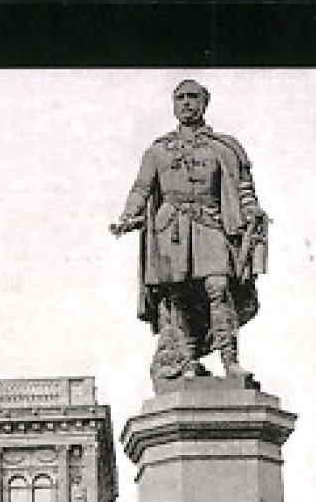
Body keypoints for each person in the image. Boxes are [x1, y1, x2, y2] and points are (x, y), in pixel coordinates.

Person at [112, 80, 269, 383]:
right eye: (180, 98)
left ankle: (231, 362)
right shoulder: (157, 151)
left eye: (193, 97)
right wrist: (128, 215)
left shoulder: (223, 148)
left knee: (219, 287)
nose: (186, 103)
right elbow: (141, 188)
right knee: (179, 297)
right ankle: (187, 361)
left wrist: (251, 211)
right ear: (173, 105)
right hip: (170, 228)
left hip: (210, 222)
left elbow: (243, 188)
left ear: (204, 103)